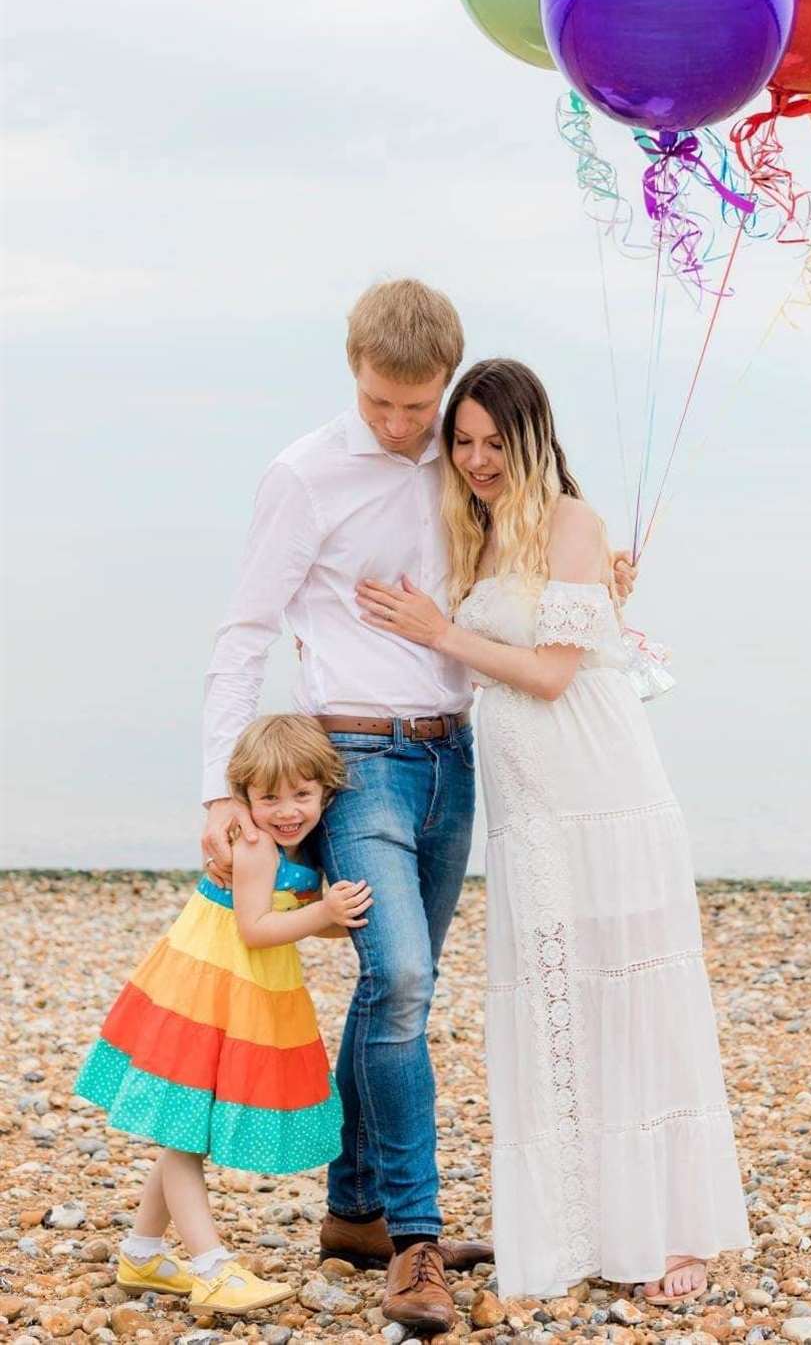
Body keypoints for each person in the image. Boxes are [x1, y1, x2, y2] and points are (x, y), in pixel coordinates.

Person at [357, 358, 751, 1302]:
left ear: (532, 437)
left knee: (630, 995)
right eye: (465, 441)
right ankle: (575, 1222)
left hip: (599, 787)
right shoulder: (477, 529)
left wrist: (435, 629)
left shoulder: (571, 519)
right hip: (528, 809)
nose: (479, 458)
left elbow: (549, 673)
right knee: (552, 999)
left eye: (496, 441)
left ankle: (672, 1234)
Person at [199, 282, 493, 1331]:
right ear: (353, 370)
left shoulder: (469, 457)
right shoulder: (306, 473)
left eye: (418, 407)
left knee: (395, 989)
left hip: (454, 758)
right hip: (355, 757)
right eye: (381, 404)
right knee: (402, 974)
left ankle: (354, 1212)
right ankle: (417, 1241)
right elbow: (245, 632)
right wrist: (216, 791)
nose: (401, 426)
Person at [74, 715, 372, 1318]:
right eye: (269, 797)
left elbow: (283, 917)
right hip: (211, 997)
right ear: (243, 794)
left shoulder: (286, 844)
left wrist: (327, 916)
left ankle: (143, 1251)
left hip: (229, 991)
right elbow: (257, 930)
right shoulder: (258, 845)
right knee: (185, 1135)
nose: (287, 810)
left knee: (186, 1126)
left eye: (303, 795)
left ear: (325, 792)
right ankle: (211, 1268)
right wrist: (322, 915)